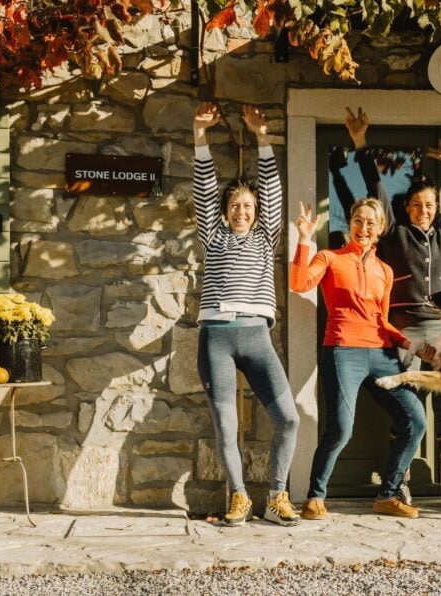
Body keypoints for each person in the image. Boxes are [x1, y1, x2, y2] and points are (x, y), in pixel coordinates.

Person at [338, 108, 441, 512]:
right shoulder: (395, 235)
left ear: (437, 209)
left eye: (430, 206)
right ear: (407, 210)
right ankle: (399, 483)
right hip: (404, 333)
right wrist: (361, 145)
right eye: (418, 206)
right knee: (408, 412)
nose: (424, 211)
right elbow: (375, 187)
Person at [193, 102, 301, 527]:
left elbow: (272, 193)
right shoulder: (213, 235)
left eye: (249, 207)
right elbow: (204, 189)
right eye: (236, 206)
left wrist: (262, 139)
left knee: (288, 418)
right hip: (217, 336)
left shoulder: (264, 239)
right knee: (224, 424)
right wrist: (199, 136)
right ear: (225, 212)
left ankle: (276, 497)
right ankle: (239, 497)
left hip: (257, 336)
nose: (243, 211)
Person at [290, 196, 428, 520]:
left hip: (381, 354)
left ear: (379, 228)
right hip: (343, 351)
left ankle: (388, 495)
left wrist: (409, 342)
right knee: (341, 430)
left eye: (370, 222)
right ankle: (315, 496)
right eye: (358, 220)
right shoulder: (330, 258)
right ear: (350, 223)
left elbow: (381, 320)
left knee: (415, 421)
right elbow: (299, 283)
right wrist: (305, 239)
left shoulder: (385, 271)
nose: (363, 227)